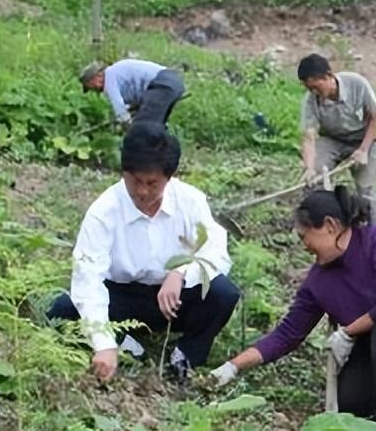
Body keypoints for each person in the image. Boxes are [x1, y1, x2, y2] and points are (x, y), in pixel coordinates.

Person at [210, 186, 376, 430]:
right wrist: (233, 366)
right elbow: (286, 335)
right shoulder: (318, 281)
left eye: (305, 236)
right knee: (349, 402)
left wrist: (348, 332)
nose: (304, 245)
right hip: (374, 353)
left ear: (330, 225)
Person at [48, 123, 238, 383]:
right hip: (123, 295)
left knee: (223, 293)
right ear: (123, 173)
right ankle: (125, 344)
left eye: (153, 183)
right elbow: (89, 278)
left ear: (169, 177)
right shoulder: (103, 212)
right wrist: (103, 344)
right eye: (135, 181)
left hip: (173, 299)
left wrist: (180, 273)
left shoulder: (190, 201)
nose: (143, 192)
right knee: (64, 308)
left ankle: (186, 355)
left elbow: (216, 251)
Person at [297, 53, 376, 224]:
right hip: (332, 139)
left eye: (317, 87)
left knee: (366, 194)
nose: (314, 92)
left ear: (329, 76)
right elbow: (309, 137)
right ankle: (322, 224)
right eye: (309, 88)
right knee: (314, 182)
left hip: (362, 138)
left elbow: (374, 118)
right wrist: (309, 167)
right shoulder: (310, 101)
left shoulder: (357, 85)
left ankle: (375, 232)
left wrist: (363, 150)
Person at [79, 59, 185, 127]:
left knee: (145, 126)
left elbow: (119, 107)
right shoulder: (117, 74)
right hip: (172, 82)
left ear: (96, 77)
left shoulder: (109, 77)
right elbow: (136, 99)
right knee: (157, 125)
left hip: (162, 83)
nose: (95, 89)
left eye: (91, 86)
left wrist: (127, 125)